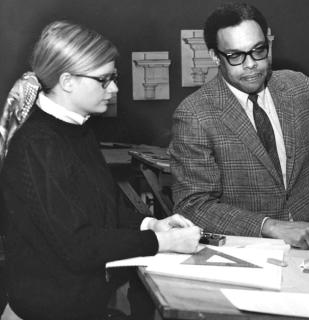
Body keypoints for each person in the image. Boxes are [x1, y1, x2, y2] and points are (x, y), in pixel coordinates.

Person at [0, 21, 202, 320]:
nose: (114, 88)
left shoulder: (77, 129)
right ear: (67, 81)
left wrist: (150, 225)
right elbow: (77, 245)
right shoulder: (37, 143)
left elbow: (106, 205)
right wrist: (163, 242)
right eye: (104, 80)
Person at [169, 3, 309, 250]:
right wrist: (269, 226)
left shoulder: (296, 87)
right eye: (235, 55)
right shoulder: (194, 114)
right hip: (247, 253)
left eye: (258, 50)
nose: (251, 64)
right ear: (214, 56)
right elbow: (193, 206)